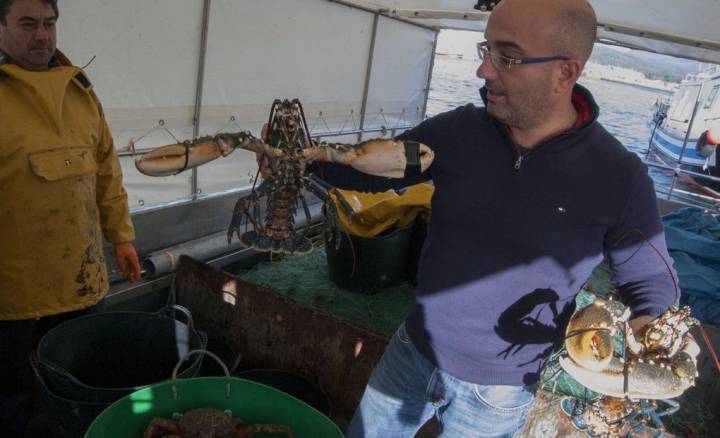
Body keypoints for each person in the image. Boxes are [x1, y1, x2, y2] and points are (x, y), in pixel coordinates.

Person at [287, 0, 677, 436]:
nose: (484, 72)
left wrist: (650, 333)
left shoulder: (619, 178)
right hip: (411, 349)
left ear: (566, 73)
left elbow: (649, 281)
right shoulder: (457, 131)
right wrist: (301, 161)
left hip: (500, 393)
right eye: (486, 50)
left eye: (507, 57)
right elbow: (374, 170)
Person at [0, 0, 141, 435]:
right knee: (10, 393)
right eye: (28, 24)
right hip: (11, 285)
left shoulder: (81, 91)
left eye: (49, 23)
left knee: (78, 378)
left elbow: (106, 171)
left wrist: (121, 238)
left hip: (79, 276)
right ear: (0, 26)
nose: (42, 35)